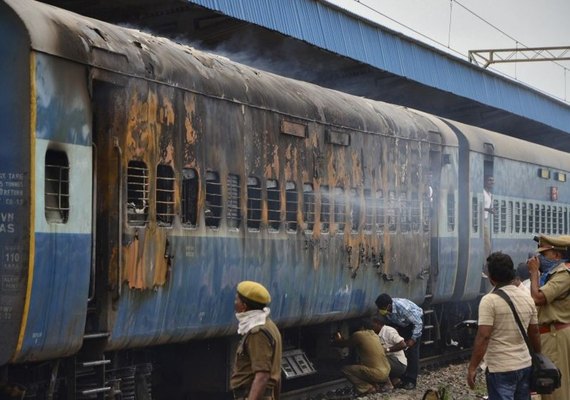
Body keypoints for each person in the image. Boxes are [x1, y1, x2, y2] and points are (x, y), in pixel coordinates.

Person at [467, 252, 540, 400]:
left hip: (500, 368)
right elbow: (535, 333)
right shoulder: (527, 298)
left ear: (491, 277)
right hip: (524, 365)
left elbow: (484, 336)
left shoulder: (489, 301)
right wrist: (537, 358)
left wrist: (473, 367)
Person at [527, 235, 570, 400]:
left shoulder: (564, 274)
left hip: (555, 336)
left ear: (557, 255)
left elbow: (538, 298)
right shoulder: (554, 273)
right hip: (551, 335)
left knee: (554, 391)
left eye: (544, 255)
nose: (539, 259)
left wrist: (533, 274)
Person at [230, 281, 282, 400]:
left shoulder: (257, 333)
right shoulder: (270, 325)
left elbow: (262, 375)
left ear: (244, 306)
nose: (235, 303)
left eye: (237, 300)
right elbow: (276, 375)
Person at [374, 294, 423, 390]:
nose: (380, 310)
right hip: (401, 323)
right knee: (399, 348)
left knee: (412, 351)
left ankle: (411, 381)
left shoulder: (403, 308)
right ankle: (400, 378)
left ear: (388, 306)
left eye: (382, 308)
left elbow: (418, 323)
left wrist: (413, 339)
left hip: (413, 323)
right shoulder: (386, 309)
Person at [331, 318, 391, 395]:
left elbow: (344, 344)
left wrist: (336, 341)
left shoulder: (359, 334)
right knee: (364, 365)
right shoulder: (375, 335)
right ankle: (377, 385)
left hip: (378, 374)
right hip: (387, 372)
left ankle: (367, 388)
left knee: (345, 369)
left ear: (362, 327)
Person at [371, 316, 407, 389]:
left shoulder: (388, 331)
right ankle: (394, 379)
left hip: (398, 363)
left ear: (378, 324)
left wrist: (387, 349)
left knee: (376, 358)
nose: (371, 327)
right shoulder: (375, 333)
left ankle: (388, 383)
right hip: (390, 362)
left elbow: (403, 345)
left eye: (372, 325)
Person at [483, 175, 495, 258]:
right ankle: (487, 264)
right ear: (485, 182)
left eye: (492, 181)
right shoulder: (482, 192)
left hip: (485, 220)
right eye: (489, 180)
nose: (491, 182)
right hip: (480, 221)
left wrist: (491, 210)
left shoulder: (490, 194)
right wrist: (488, 210)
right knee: (487, 245)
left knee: (487, 246)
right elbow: (477, 206)